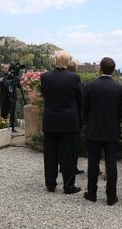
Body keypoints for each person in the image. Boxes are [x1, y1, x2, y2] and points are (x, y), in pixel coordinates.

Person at [83, 57, 122, 206]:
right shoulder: (120, 87)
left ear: (100, 68)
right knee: (111, 163)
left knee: (93, 162)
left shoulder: (90, 85)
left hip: (94, 129)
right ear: (113, 70)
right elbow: (121, 111)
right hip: (112, 130)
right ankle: (111, 197)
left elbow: (85, 109)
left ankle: (92, 193)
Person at [40, 51, 82, 194]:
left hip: (51, 119)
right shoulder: (74, 78)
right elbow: (80, 99)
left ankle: (50, 184)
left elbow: (45, 96)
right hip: (69, 121)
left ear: (55, 61)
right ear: (67, 62)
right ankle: (69, 186)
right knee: (68, 155)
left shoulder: (45, 77)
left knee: (50, 154)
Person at [66, 60, 84, 175]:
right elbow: (81, 101)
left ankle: (63, 166)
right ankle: (72, 167)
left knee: (62, 146)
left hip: (61, 119)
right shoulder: (77, 82)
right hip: (74, 118)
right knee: (73, 146)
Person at [0, 64, 21, 133]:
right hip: (3, 98)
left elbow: (19, 86)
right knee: (3, 113)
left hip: (12, 98)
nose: (4, 69)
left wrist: (18, 80)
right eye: (4, 68)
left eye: (6, 68)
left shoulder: (14, 76)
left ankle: (12, 127)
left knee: (12, 113)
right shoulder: (1, 76)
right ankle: (3, 126)